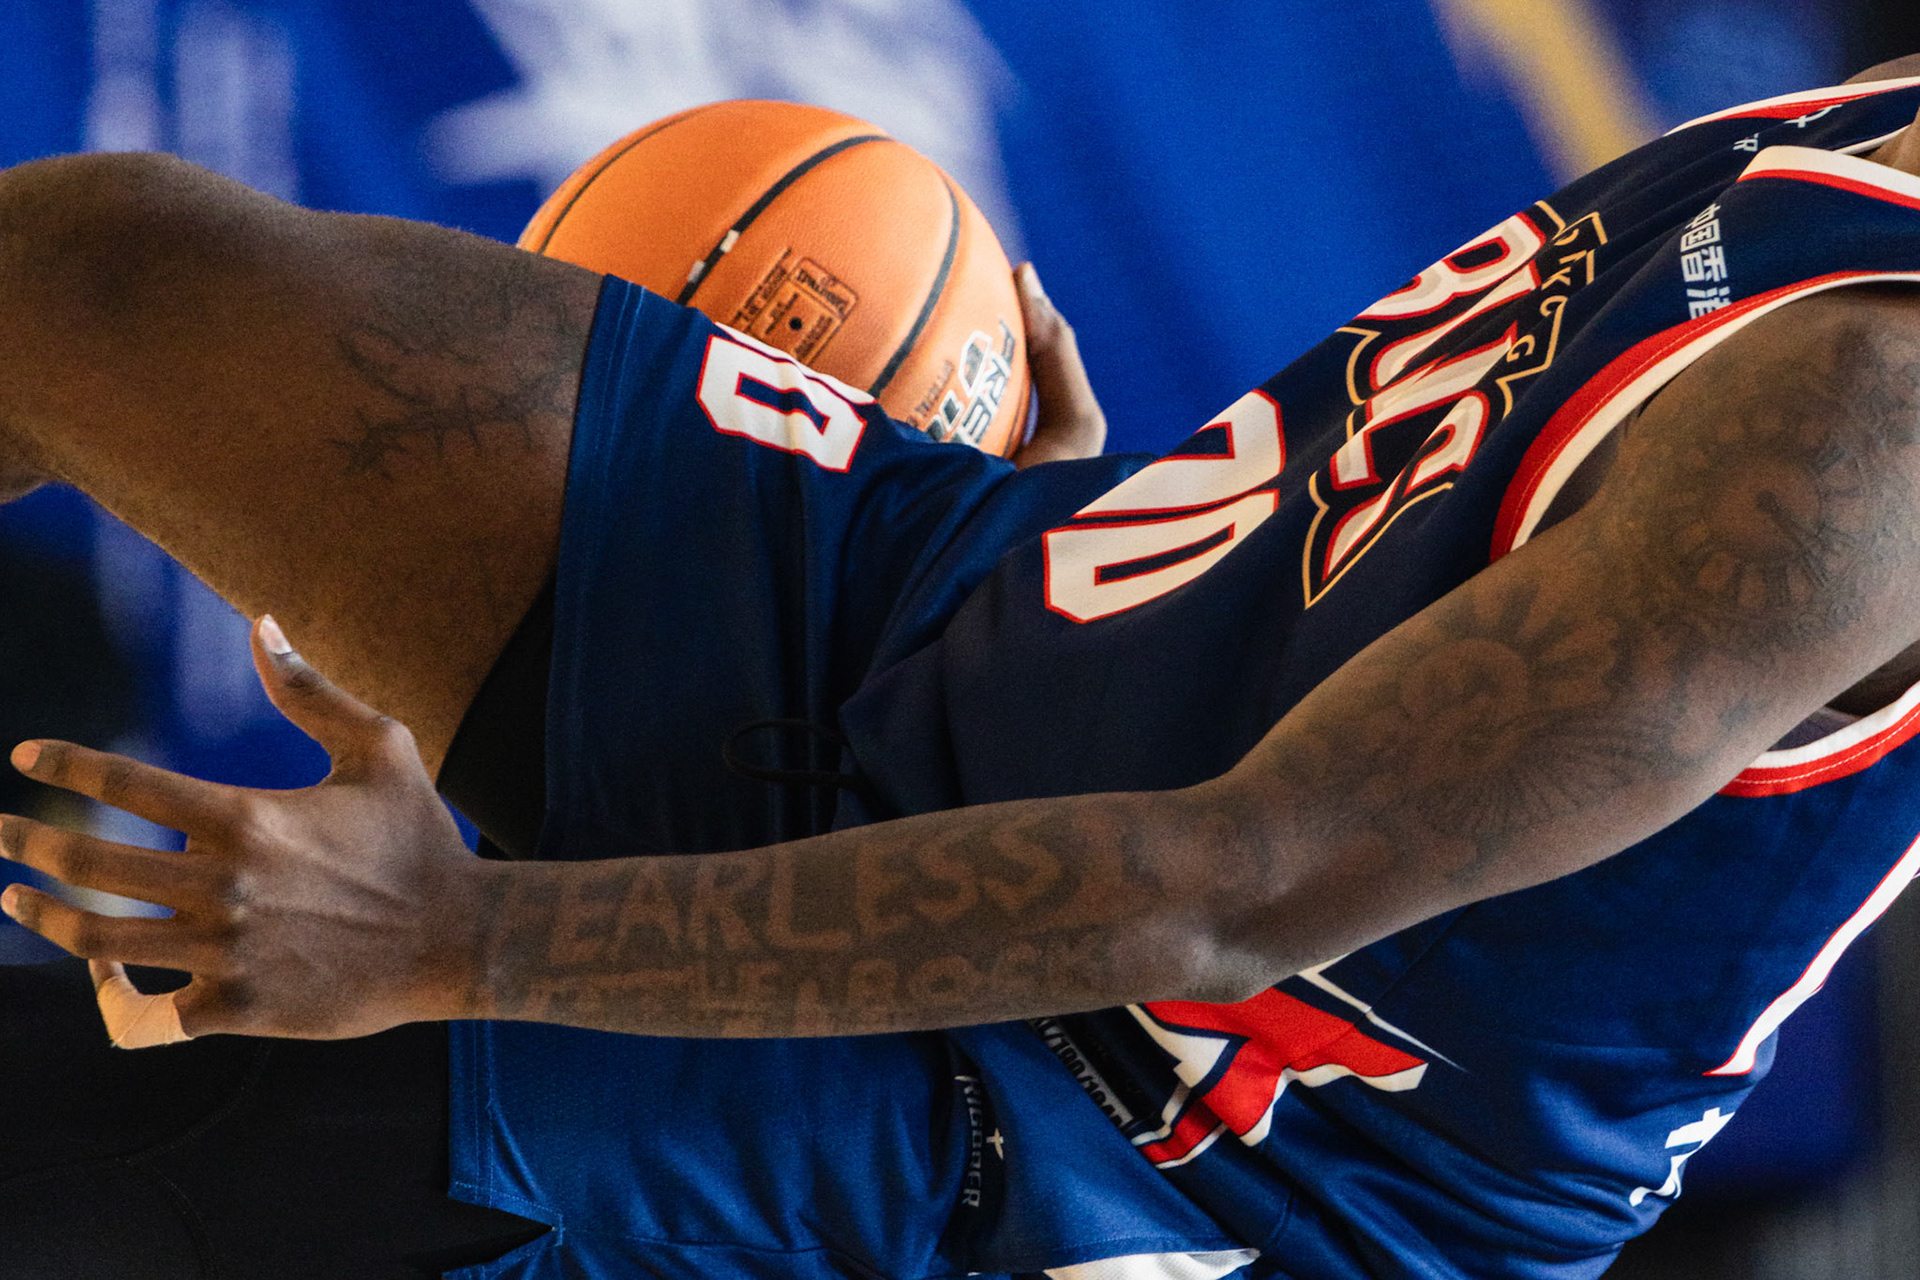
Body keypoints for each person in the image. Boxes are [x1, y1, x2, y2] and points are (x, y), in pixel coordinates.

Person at [8, 51, 1920, 1280]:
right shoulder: (1873, 128)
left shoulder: (1874, 432)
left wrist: (449, 943)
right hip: (1013, 658)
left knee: (125, 1150)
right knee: (94, 280)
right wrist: (1128, 553)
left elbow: (1222, 896)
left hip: (1199, 1143)